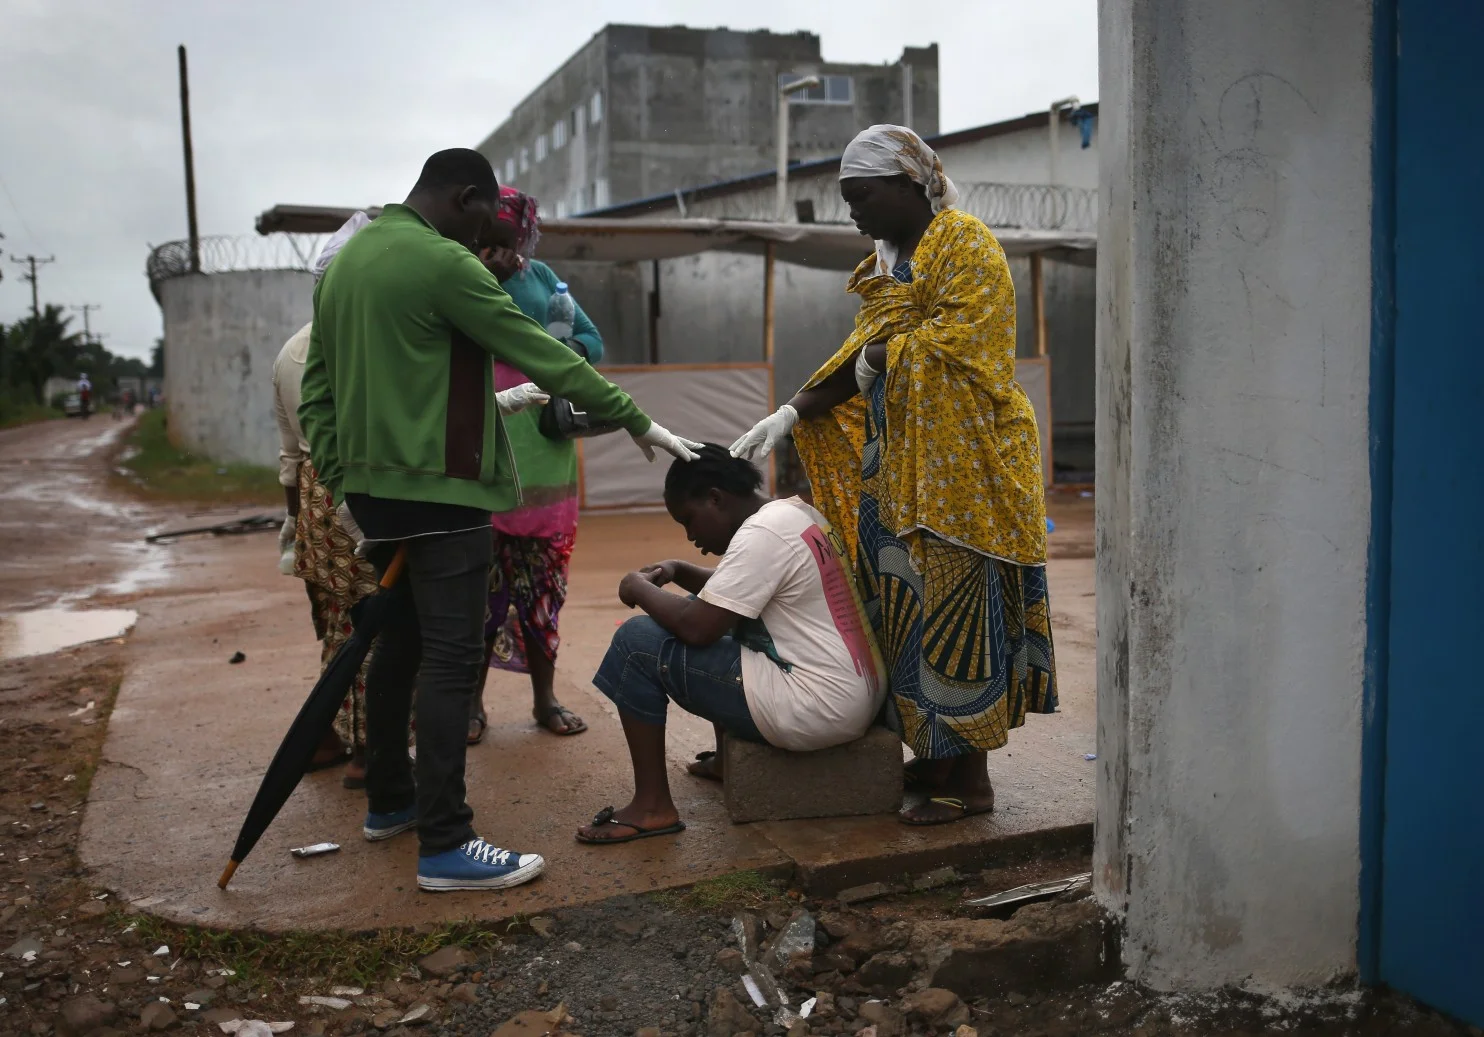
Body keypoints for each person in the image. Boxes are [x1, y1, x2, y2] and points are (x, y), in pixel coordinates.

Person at [298, 148, 700, 892]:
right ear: (465, 196)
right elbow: (545, 354)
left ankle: (391, 801)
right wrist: (637, 420)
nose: (491, 234)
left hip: (377, 495)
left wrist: (342, 483)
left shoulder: (351, 261)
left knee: (403, 643)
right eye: (486, 213)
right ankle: (447, 843)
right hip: (446, 493)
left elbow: (316, 390)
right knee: (453, 656)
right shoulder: (446, 264)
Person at [731, 125, 1059, 826]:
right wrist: (790, 413)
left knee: (957, 613)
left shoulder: (964, 242)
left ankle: (970, 781)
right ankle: (935, 754)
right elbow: (857, 358)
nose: (853, 211)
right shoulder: (886, 263)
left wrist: (883, 353)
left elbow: (972, 344)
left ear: (911, 182)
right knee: (907, 615)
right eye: (847, 199)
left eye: (862, 195)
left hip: (963, 471)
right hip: (899, 471)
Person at [575, 445, 886, 844]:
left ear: (715, 497)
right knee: (706, 610)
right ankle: (724, 761)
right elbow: (733, 593)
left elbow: (699, 629)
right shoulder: (792, 514)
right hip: (852, 694)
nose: (690, 535)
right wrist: (679, 569)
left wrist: (637, 586)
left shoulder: (763, 533)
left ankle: (652, 807)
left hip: (817, 707)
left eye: (688, 520)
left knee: (636, 641)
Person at [467, 187, 597, 744]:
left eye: (508, 241)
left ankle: (544, 699)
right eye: (487, 241)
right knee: (477, 603)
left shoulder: (545, 281)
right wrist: (487, 283)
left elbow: (590, 342)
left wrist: (553, 353)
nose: (499, 252)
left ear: (525, 236)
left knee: (543, 599)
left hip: (547, 471)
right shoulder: (458, 277)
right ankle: (471, 706)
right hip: (481, 468)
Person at [272, 213, 378, 786]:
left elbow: (291, 458)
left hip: (314, 499)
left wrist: (298, 530)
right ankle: (368, 753)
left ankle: (333, 739)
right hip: (359, 491)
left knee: (338, 627)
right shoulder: (361, 344)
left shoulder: (291, 350)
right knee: (376, 628)